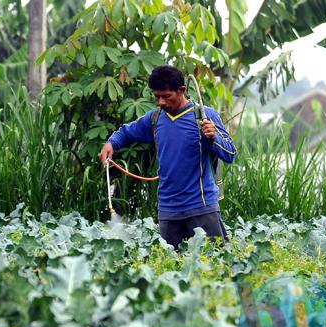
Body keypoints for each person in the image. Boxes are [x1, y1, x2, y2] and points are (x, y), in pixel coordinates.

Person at [98, 65, 236, 249]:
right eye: (157, 97)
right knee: (170, 270)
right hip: (169, 211)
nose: (161, 102)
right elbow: (127, 132)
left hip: (202, 207)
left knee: (215, 266)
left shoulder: (203, 116)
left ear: (182, 91)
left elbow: (230, 154)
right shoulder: (155, 119)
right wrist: (111, 143)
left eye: (166, 96)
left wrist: (213, 137)